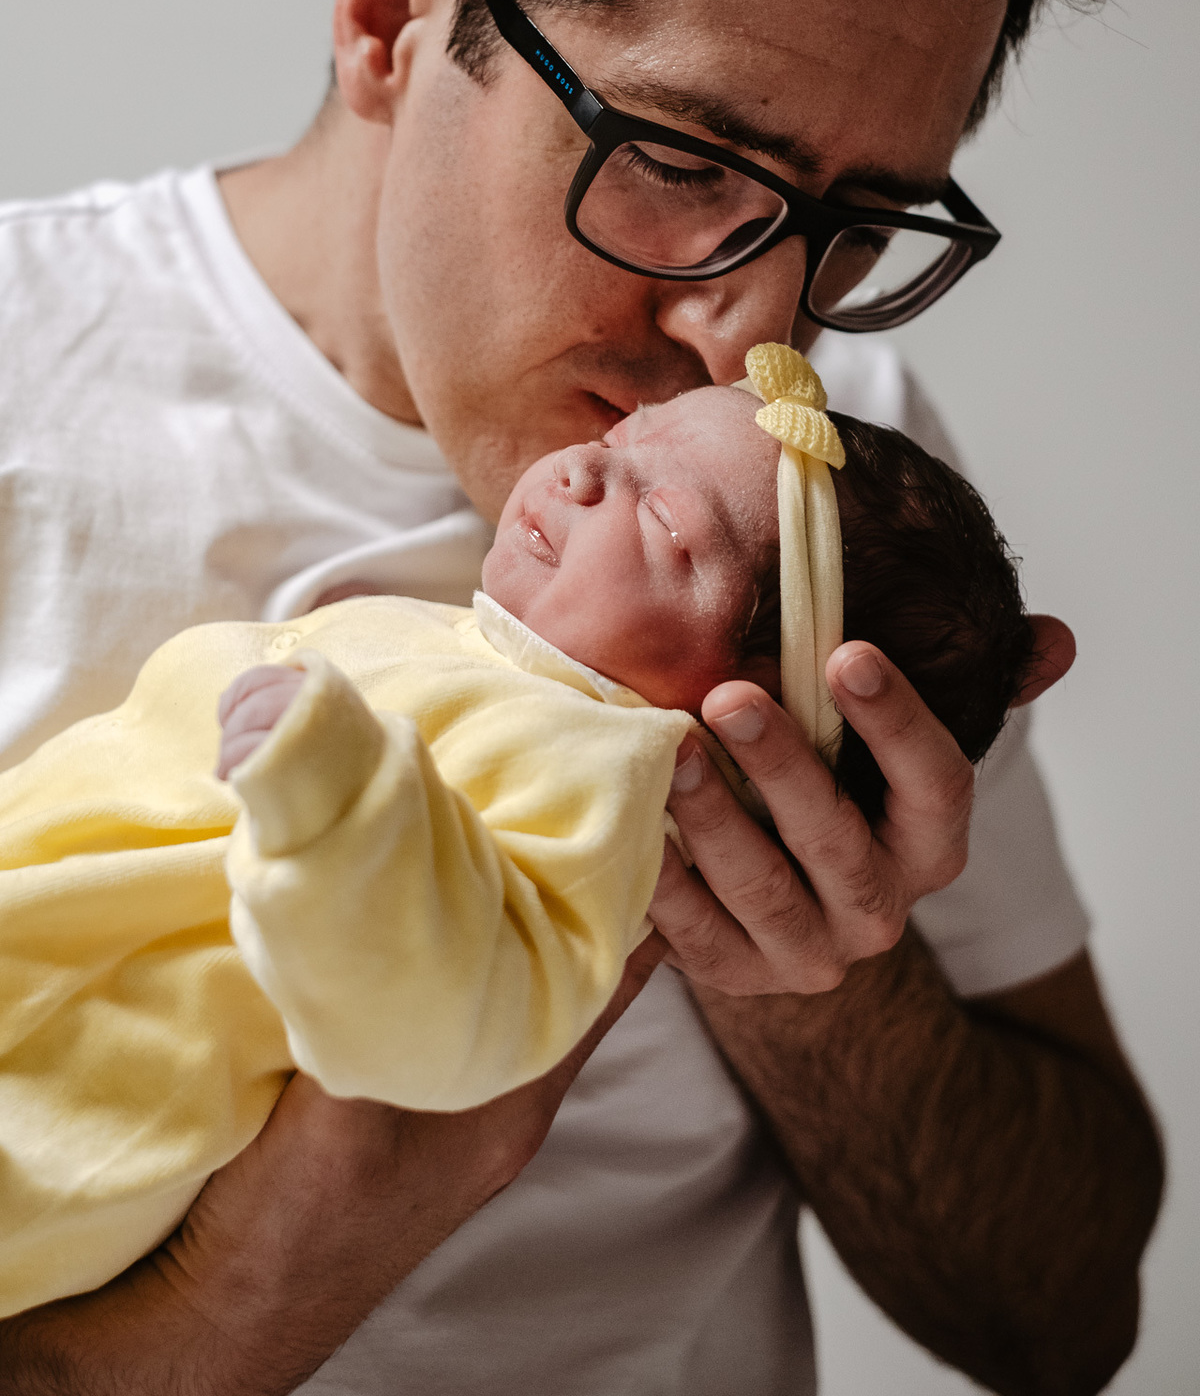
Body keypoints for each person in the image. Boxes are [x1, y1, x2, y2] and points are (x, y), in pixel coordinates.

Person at [0, 0, 1162, 1393]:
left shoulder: (836, 512)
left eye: (857, 225)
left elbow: (1068, 1319)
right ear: (396, 4)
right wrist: (252, 1289)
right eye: (685, 160)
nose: (756, 325)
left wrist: (818, 972)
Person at [1, 349, 1062, 1322]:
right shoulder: (458, 646)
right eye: (616, 443)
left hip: (78, 1108)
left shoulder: (594, 774)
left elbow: (453, 1025)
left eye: (667, 525)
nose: (579, 476)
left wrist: (340, 802)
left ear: (755, 718)